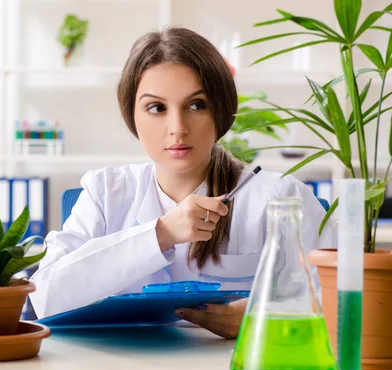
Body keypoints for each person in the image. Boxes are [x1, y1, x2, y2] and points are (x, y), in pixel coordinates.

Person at [28, 27, 336, 339]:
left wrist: (265, 321)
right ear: (131, 115)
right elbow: (46, 299)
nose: (178, 128)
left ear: (222, 108)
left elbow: (347, 300)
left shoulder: (279, 196)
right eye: (157, 108)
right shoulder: (105, 191)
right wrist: (160, 234)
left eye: (196, 105)